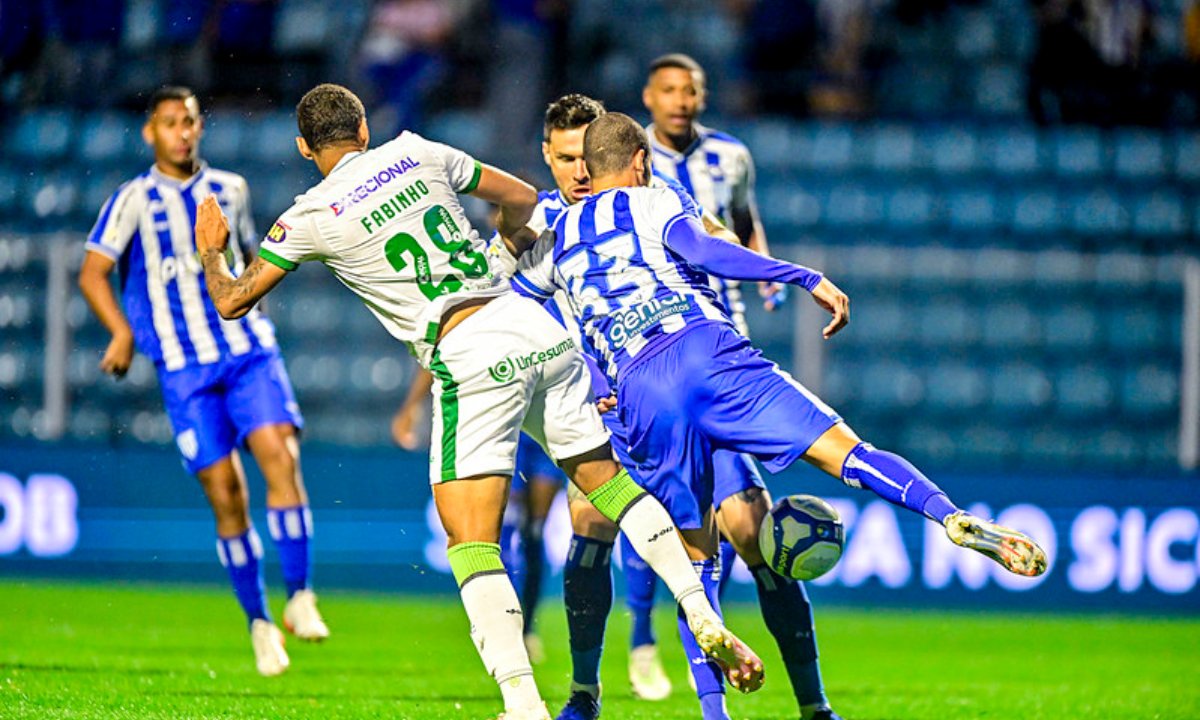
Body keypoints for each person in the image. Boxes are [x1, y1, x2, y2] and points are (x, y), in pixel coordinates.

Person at [193, 83, 763, 720]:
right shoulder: (415, 151)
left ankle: (522, 703)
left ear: (304, 147)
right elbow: (521, 199)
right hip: (532, 326)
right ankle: (697, 604)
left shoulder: (307, 216)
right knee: (611, 488)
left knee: (471, 540)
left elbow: (232, 300)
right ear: (363, 129)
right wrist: (497, 246)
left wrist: (212, 249)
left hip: (467, 351)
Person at [514, 111, 1050, 717]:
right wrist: (801, 275)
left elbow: (521, 317)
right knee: (847, 451)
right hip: (706, 351)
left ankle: (713, 710)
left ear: (591, 162)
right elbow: (709, 251)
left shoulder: (550, 239)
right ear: (640, 161)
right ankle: (949, 516)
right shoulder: (654, 199)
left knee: (696, 565)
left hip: (639, 387)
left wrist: (591, 371)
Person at [77, 86, 329, 678]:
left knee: (281, 456)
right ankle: (260, 623)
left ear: (200, 126)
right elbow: (94, 272)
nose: (181, 132)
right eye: (169, 123)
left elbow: (248, 260)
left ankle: (300, 595)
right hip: (184, 368)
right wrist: (120, 333)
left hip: (245, 352)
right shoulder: (132, 200)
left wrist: (258, 313)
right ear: (151, 133)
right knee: (227, 494)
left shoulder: (232, 189)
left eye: (189, 121)